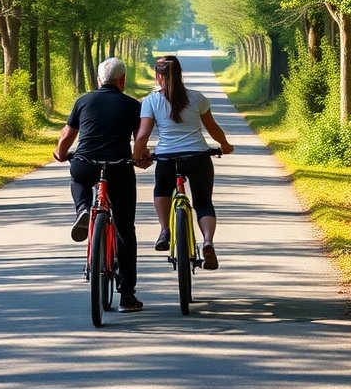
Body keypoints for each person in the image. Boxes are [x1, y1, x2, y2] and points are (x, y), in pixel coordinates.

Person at [54, 57, 143, 313]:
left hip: (86, 162)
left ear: (98, 80)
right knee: (125, 228)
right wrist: (139, 157)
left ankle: (82, 208)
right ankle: (127, 295)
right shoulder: (132, 105)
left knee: (78, 178)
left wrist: (61, 153)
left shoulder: (83, 101)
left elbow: (67, 135)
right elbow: (139, 141)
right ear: (122, 80)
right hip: (118, 167)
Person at [133, 55, 234, 270]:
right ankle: (207, 242)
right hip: (198, 157)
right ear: (180, 73)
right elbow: (213, 128)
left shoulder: (151, 101)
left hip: (167, 158)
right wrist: (225, 145)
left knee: (161, 190)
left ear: (157, 76)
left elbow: (142, 136)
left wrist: (137, 156)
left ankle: (164, 231)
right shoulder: (197, 98)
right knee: (203, 203)